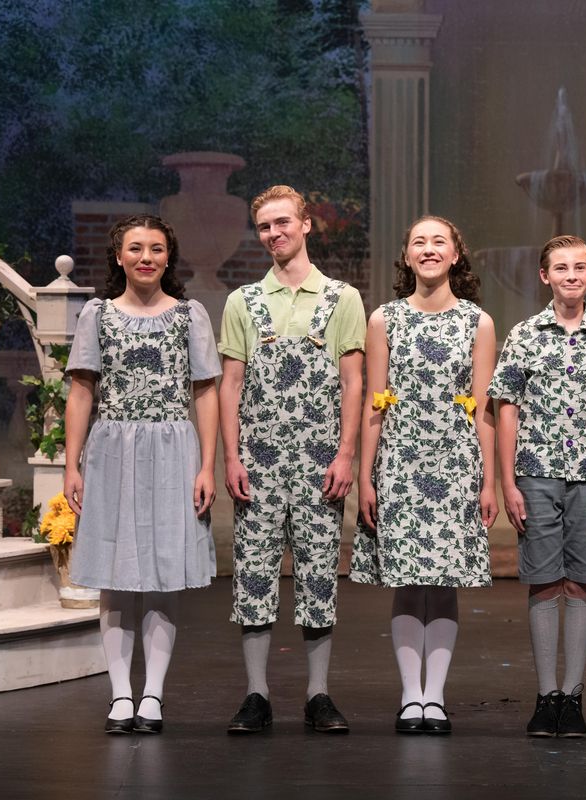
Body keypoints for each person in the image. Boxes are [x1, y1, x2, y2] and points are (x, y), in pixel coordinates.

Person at [218, 185, 366, 734]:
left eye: (283, 223)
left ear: (305, 225)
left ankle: (318, 694)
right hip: (256, 461)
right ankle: (256, 695)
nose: (274, 234)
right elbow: (231, 384)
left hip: (320, 460)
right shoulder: (243, 302)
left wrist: (346, 454)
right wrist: (230, 457)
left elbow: (354, 382)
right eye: (264, 227)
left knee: (319, 576)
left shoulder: (341, 298)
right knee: (253, 576)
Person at [65, 214, 220, 734]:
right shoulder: (98, 315)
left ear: (168, 257)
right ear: (119, 257)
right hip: (112, 450)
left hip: (174, 449)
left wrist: (206, 465)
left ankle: (152, 693)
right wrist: (72, 464)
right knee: (115, 577)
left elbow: (205, 391)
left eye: (156, 248)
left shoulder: (189, 315)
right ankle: (120, 695)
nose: (146, 257)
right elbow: (82, 390)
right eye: (136, 248)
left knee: (161, 576)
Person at [351, 216, 498, 735]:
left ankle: (435, 696)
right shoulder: (383, 319)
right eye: (420, 241)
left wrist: (489, 480)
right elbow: (375, 404)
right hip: (400, 461)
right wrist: (366, 476)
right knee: (410, 583)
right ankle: (410, 694)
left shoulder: (477, 322)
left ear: (456, 254)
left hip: (456, 463)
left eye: (439, 241)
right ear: (407, 256)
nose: (429, 249)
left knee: (445, 582)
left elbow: (483, 409)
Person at [488, 234, 586, 738]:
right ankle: (546, 693)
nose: (571, 275)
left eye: (580, 267)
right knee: (544, 579)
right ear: (544, 276)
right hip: (536, 472)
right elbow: (505, 409)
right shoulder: (525, 335)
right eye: (561, 268)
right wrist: (508, 480)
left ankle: (572, 696)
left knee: (581, 580)